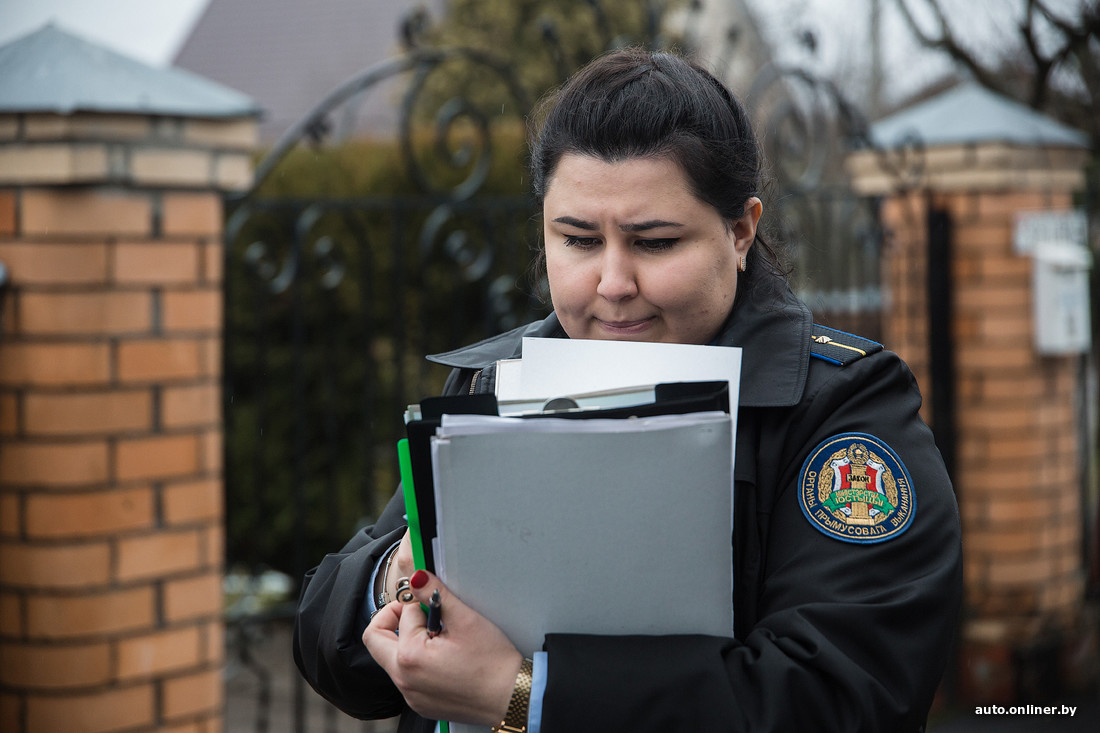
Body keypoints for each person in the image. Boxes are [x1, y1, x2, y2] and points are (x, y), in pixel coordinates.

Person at [293, 47, 962, 732]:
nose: (613, 282)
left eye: (655, 241)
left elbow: (840, 697)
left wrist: (525, 694)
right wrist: (396, 574)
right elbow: (324, 632)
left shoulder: (844, 413)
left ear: (740, 231)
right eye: (579, 239)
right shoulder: (492, 383)